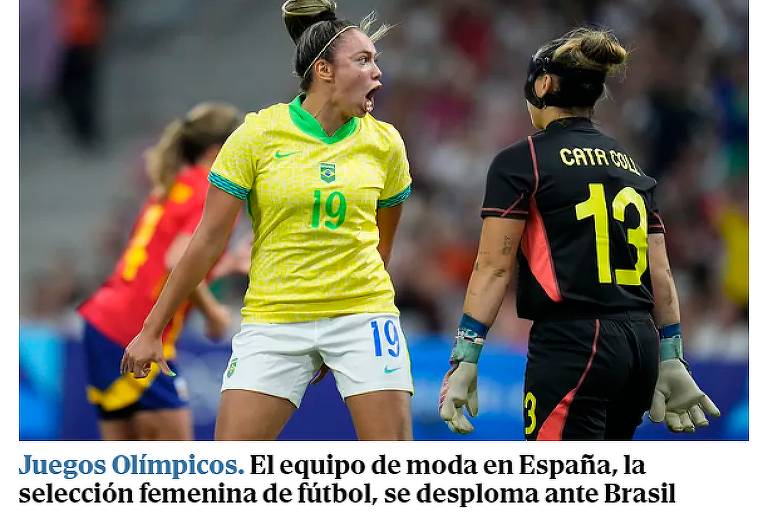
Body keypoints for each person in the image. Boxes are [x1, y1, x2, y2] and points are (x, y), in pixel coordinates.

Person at [121, 0, 414, 441]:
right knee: (229, 475)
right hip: (275, 320)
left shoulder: (386, 143)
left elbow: (381, 245)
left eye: (376, 61)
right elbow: (205, 242)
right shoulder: (257, 136)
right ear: (324, 70)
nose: (378, 73)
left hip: (362, 317)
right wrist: (151, 329)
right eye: (363, 60)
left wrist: (343, 310)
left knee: (397, 473)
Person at [438, 28, 721, 440]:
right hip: (639, 346)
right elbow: (660, 272)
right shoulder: (632, 166)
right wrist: (672, 354)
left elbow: (493, 268)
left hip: (574, 343)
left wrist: (465, 356)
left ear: (543, 84)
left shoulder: (522, 161)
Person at [78, 102, 243, 440]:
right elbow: (176, 262)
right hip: (135, 330)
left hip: (104, 322)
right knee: (175, 473)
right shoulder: (210, 190)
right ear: (218, 150)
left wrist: (225, 265)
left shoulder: (174, 185)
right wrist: (213, 313)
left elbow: (164, 262)